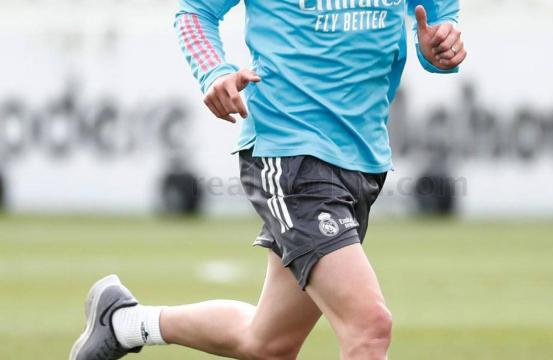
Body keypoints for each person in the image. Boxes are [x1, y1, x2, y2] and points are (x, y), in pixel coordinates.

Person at [69, 0, 466, 358]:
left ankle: (124, 322)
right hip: (290, 152)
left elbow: (436, 16)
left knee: (268, 343)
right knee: (370, 326)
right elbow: (194, 11)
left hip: (363, 159)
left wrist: (438, 44)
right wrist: (213, 72)